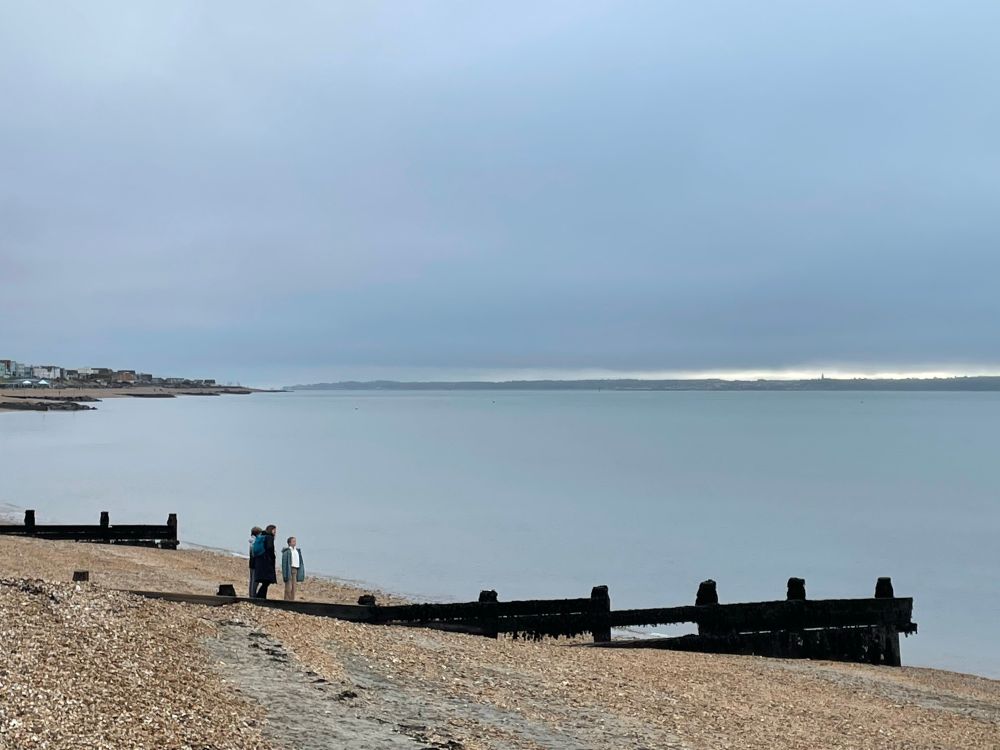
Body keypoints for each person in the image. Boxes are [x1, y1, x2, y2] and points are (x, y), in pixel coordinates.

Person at [252, 524, 277, 598]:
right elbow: (270, 548)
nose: (275, 533)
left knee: (265, 581)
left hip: (260, 561)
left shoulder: (262, 536)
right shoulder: (269, 537)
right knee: (267, 581)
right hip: (266, 562)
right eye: (274, 531)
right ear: (272, 530)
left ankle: (260, 596)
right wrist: (273, 557)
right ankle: (260, 596)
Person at [281, 536, 306, 601]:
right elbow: (284, 563)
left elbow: (300, 561)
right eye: (293, 541)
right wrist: (285, 573)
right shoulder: (287, 552)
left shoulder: (297, 551)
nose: (295, 542)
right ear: (289, 543)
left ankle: (292, 599)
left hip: (296, 569)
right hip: (290, 569)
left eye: (295, 541)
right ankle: (287, 599)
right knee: (289, 586)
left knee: (294, 586)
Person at [248, 526, 262, 598]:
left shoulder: (251, 541)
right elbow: (254, 552)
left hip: (251, 562)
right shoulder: (255, 541)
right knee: (254, 580)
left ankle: (251, 594)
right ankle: (253, 595)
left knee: (252, 580)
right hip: (255, 562)